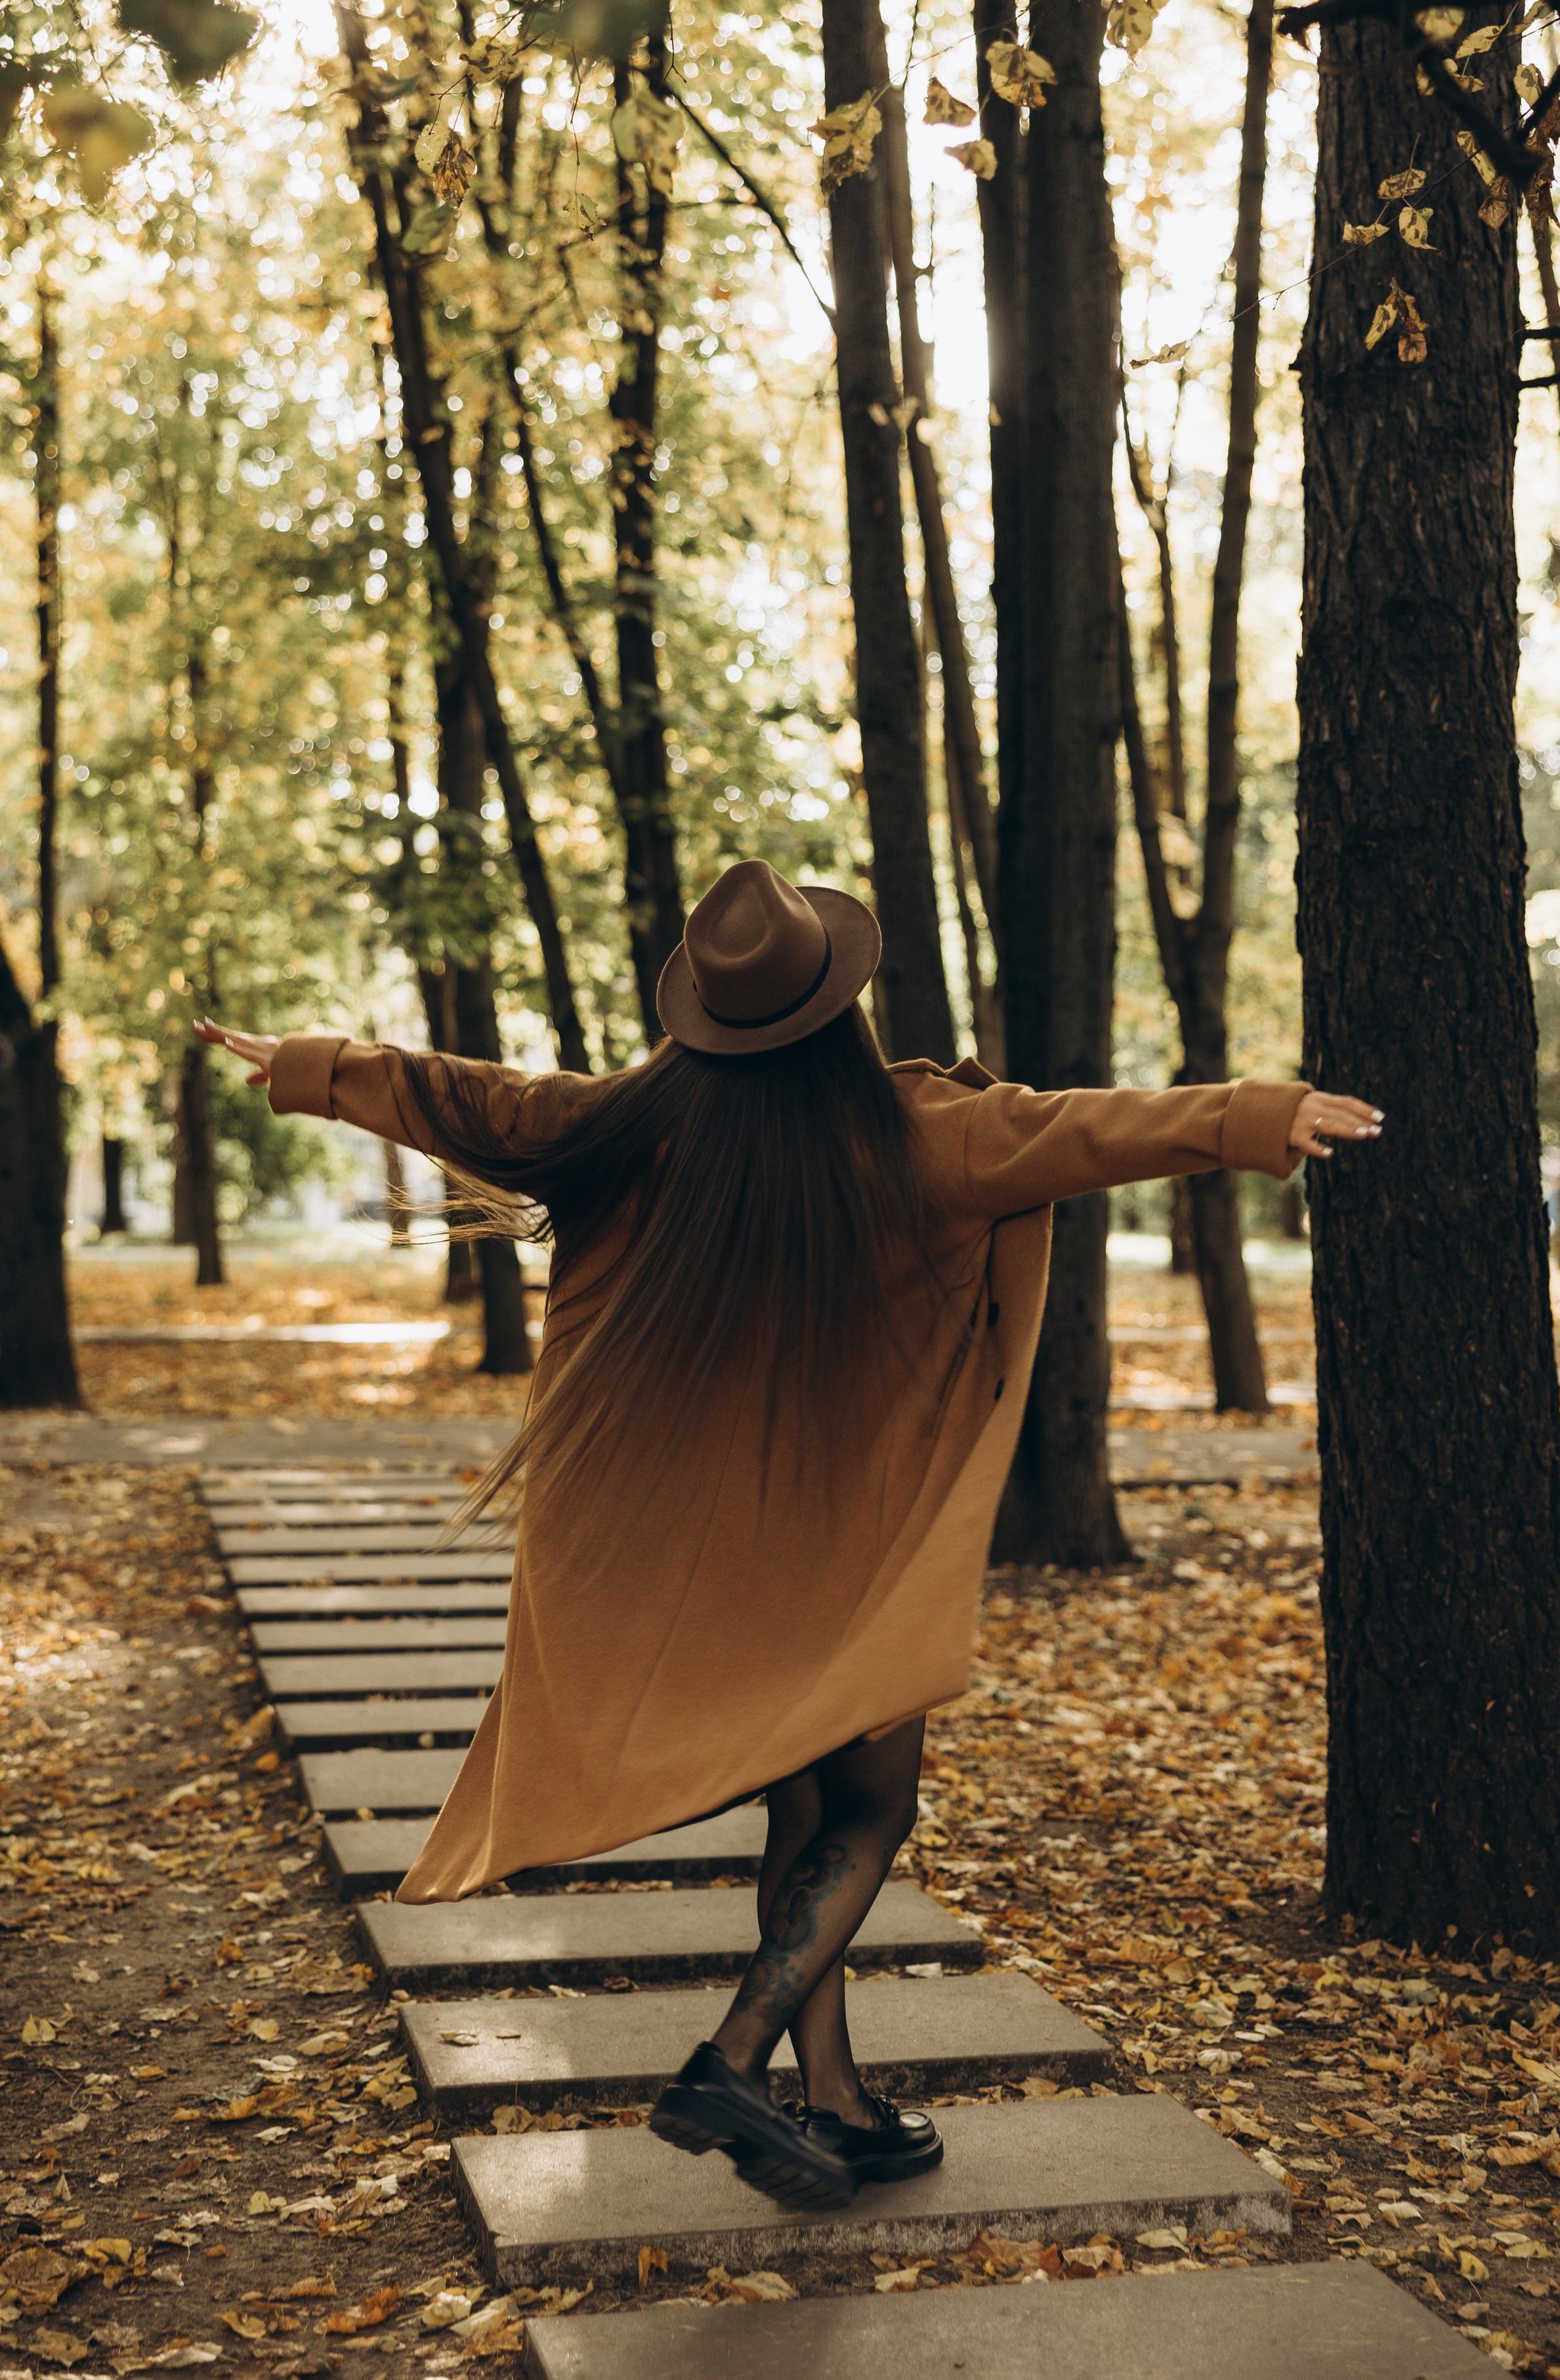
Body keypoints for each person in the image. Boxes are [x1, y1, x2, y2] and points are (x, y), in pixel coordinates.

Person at [199, 860, 1380, 2211]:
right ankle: (732, 2055)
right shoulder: (926, 1134)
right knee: (870, 1807)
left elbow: (472, 1098)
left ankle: (833, 2101)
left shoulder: (634, 1128)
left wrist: (311, 1066)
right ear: (839, 1009)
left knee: (805, 1807)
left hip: (724, 1553)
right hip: (853, 1549)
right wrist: (1258, 1116)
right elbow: (1096, 1130)